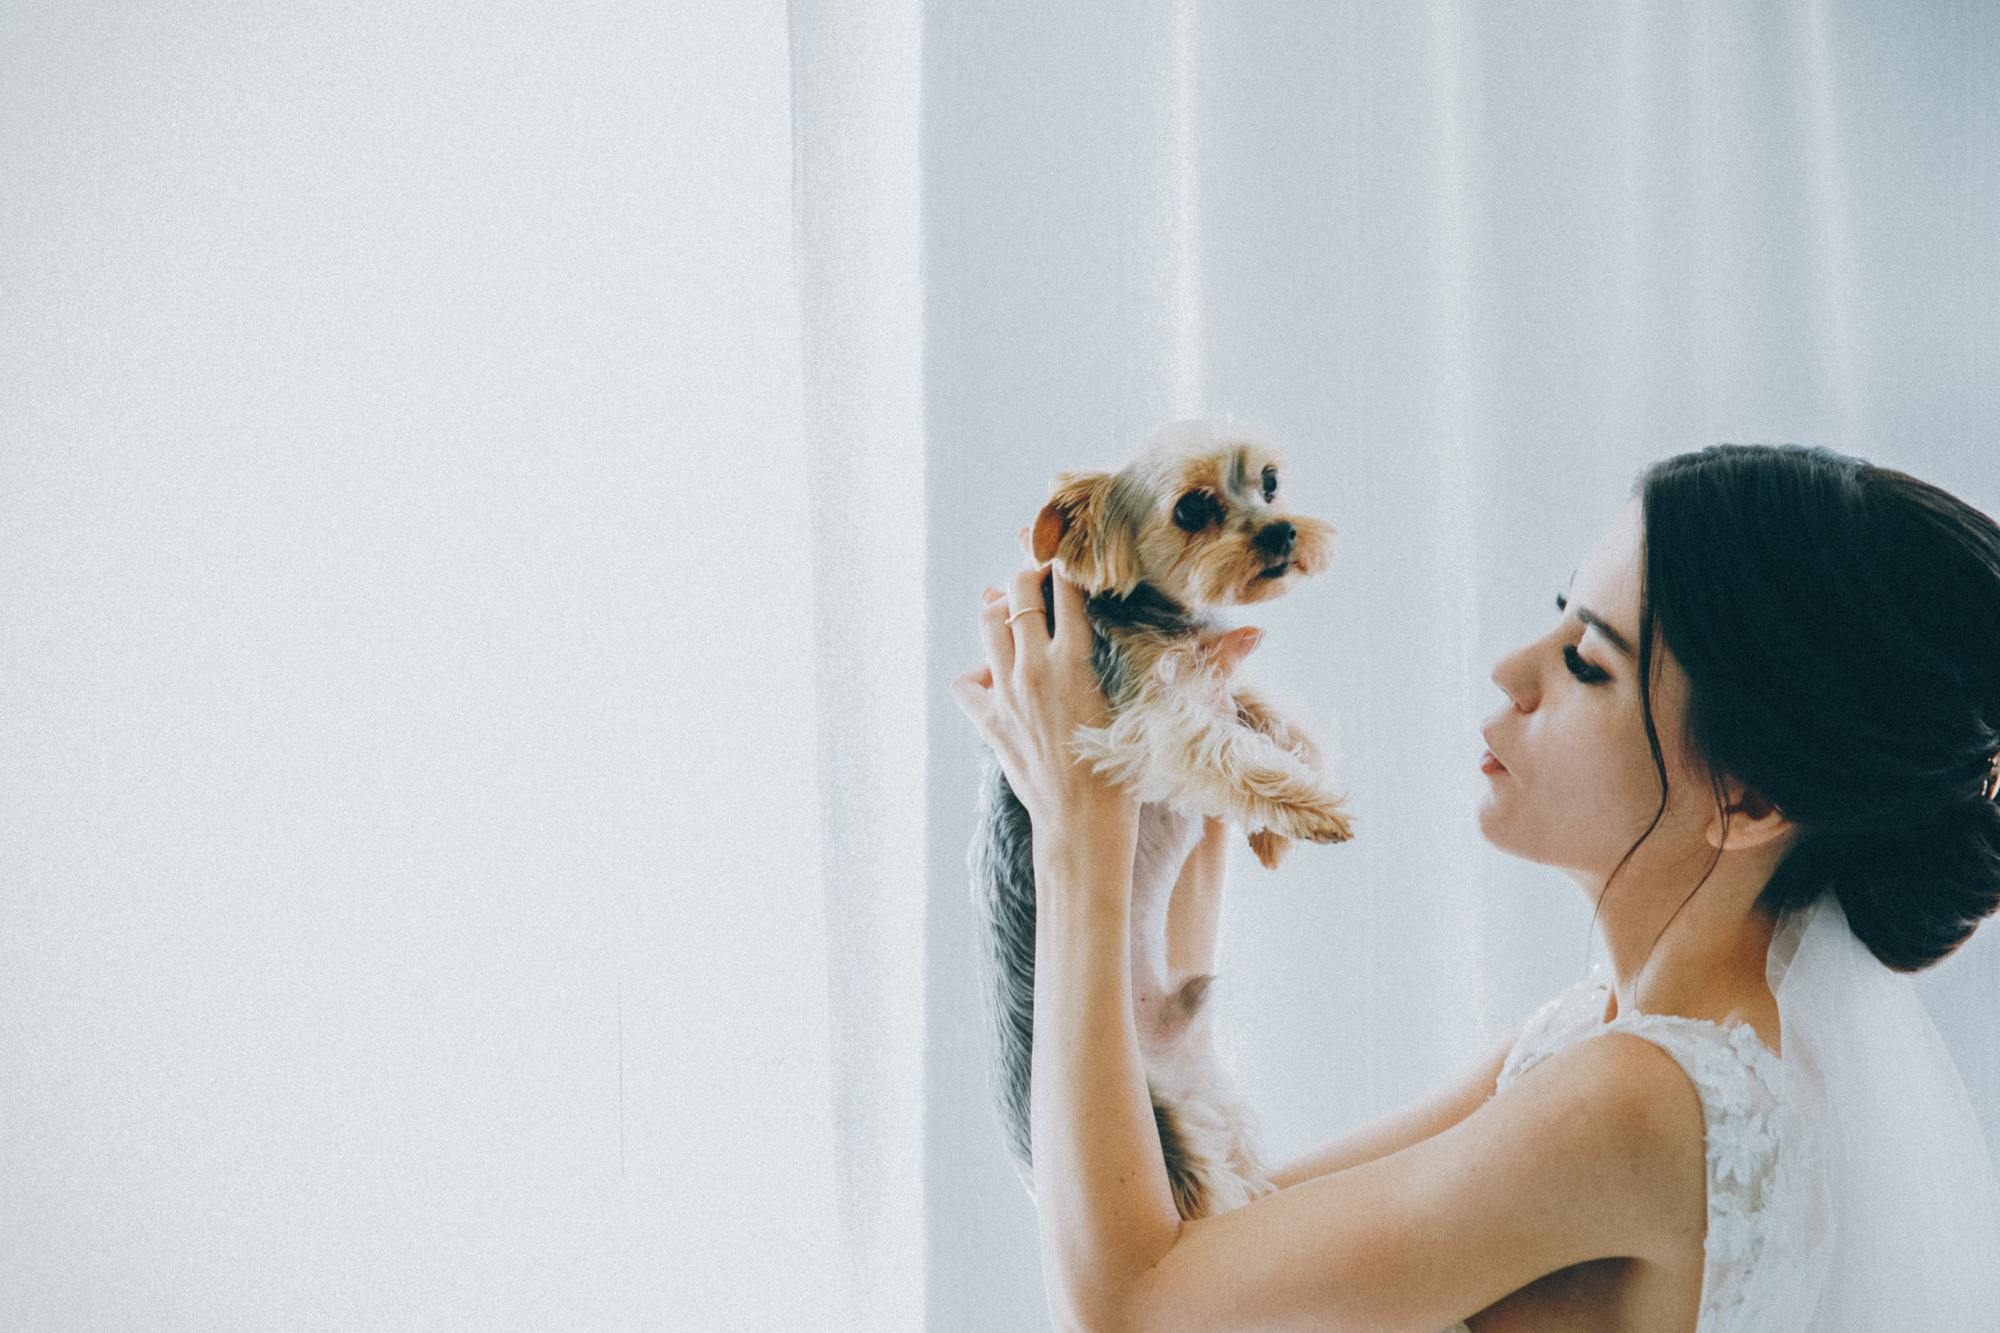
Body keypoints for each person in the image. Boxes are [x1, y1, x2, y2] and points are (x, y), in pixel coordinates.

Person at [951, 444, 2000, 1333]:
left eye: (1586, 663)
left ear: (1750, 796)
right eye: (1557, 618)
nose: (1510, 669)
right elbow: (1225, 1245)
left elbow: (1137, 1305)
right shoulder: (1618, 1029)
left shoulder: (1637, 1098)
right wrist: (1158, 817)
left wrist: (1077, 825)